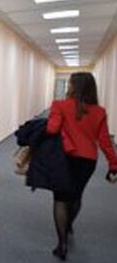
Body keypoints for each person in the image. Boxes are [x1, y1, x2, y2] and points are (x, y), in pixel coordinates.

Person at [45, 72, 117, 260]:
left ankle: (62, 244)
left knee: (60, 198)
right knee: (76, 195)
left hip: (64, 157)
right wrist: (113, 165)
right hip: (88, 160)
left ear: (73, 86)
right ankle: (69, 224)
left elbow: (52, 129)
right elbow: (105, 141)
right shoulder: (99, 111)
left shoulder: (60, 105)